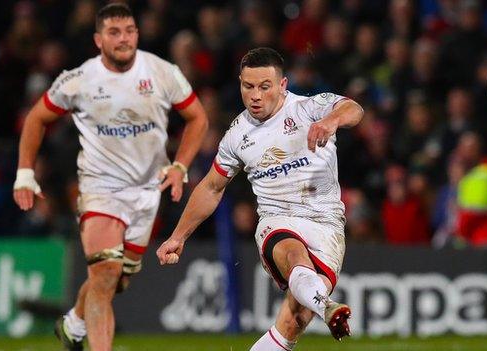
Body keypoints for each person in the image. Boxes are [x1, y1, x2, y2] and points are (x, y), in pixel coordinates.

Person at [12, 4, 208, 350]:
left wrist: (179, 166)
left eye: (130, 30)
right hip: (100, 188)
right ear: (98, 39)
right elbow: (36, 118)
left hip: (148, 192)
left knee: (118, 279)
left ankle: (73, 322)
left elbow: (197, 118)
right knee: (104, 275)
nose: (124, 38)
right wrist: (25, 173)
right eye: (114, 33)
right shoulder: (79, 80)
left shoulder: (162, 72)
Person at [156, 47, 364, 349]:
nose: (255, 95)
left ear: (282, 85)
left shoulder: (309, 108)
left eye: (264, 87)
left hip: (326, 223)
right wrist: (178, 236)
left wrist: (331, 122)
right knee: (294, 256)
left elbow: (354, 109)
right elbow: (212, 187)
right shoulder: (237, 135)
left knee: (293, 321)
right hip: (276, 222)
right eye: (248, 86)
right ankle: (326, 305)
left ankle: (318, 304)